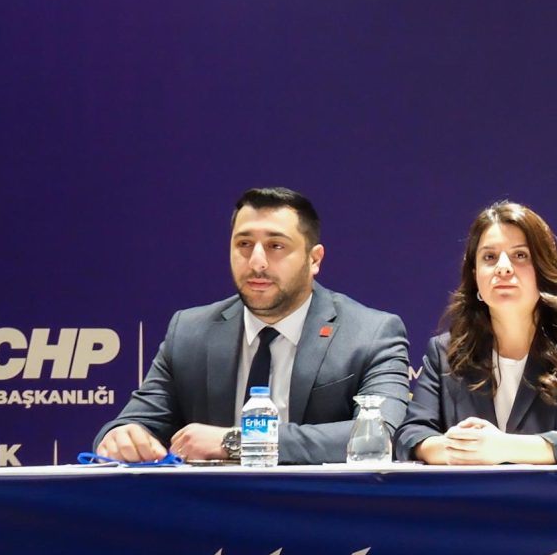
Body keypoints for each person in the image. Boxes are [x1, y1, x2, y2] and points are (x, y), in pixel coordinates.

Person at [95, 187, 410, 464]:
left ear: (314, 259)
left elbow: (382, 434)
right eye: (244, 244)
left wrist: (236, 441)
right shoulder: (190, 331)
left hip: (320, 508)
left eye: (276, 246)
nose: (257, 261)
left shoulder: (370, 334)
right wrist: (123, 436)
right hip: (212, 509)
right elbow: (134, 422)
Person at [398, 201, 557, 465]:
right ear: (475, 275)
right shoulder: (445, 352)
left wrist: (502, 448)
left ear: (544, 269)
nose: (503, 267)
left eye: (520, 255)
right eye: (489, 257)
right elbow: (411, 435)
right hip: (466, 491)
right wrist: (454, 449)